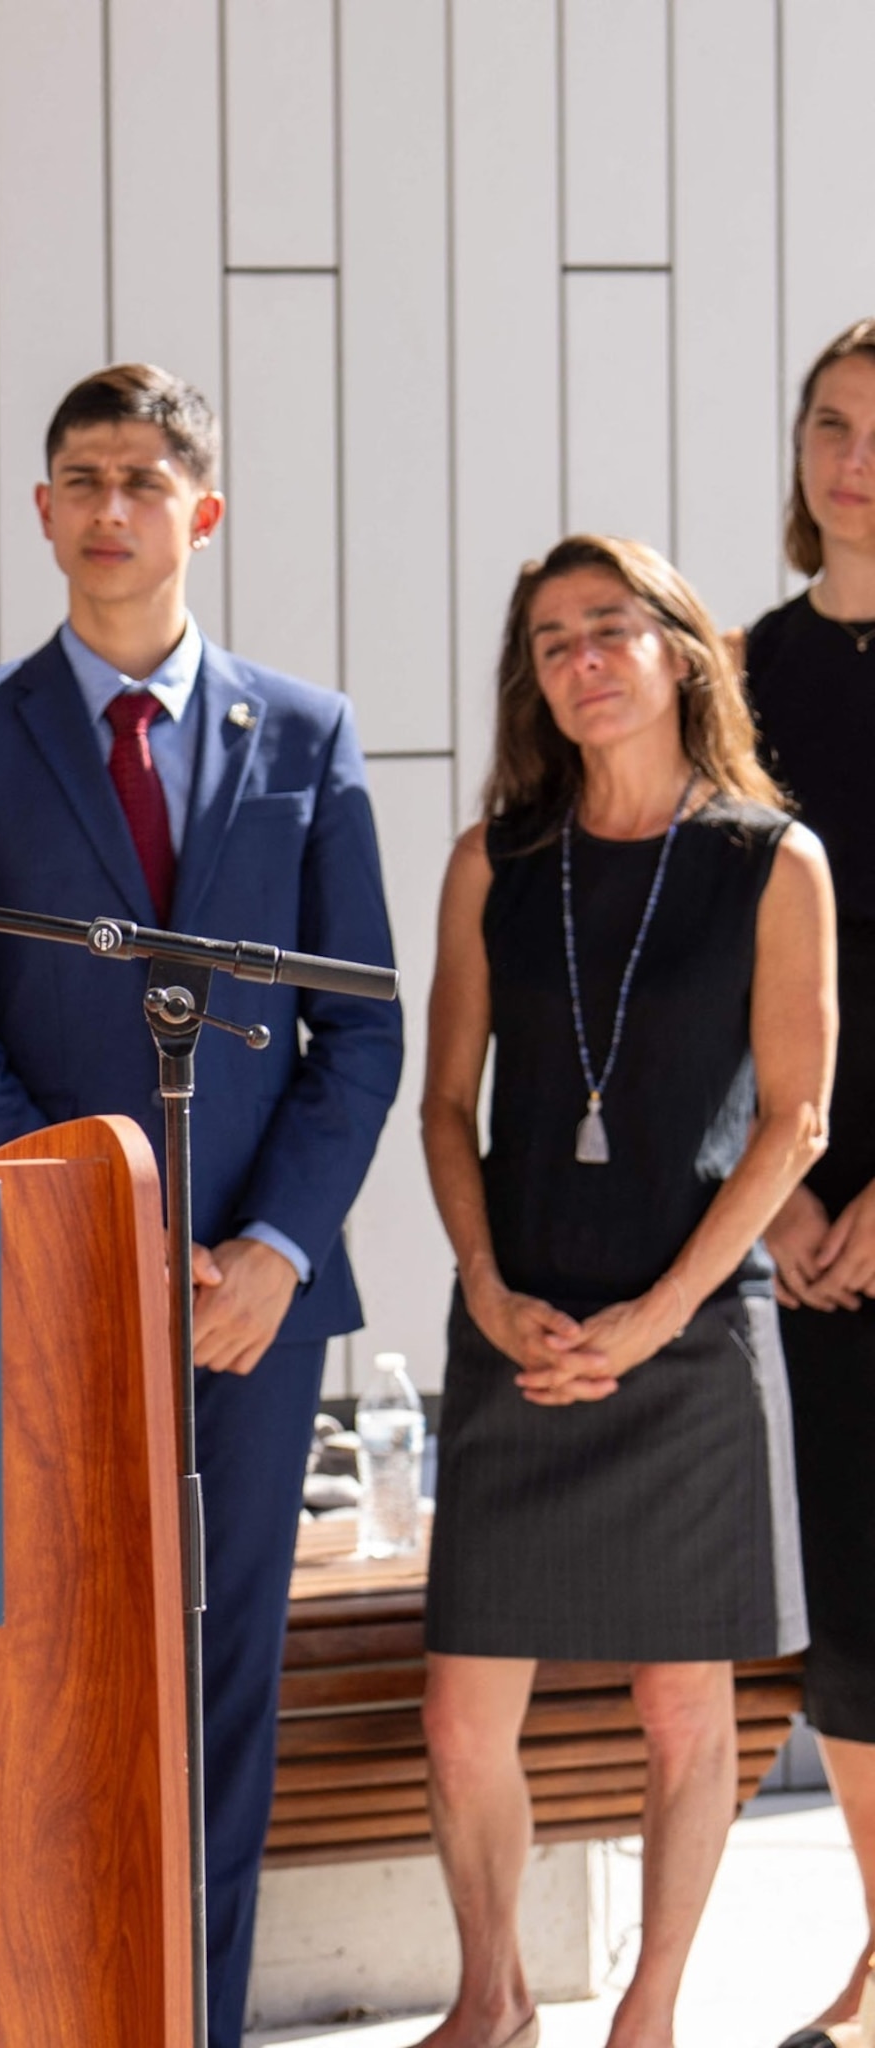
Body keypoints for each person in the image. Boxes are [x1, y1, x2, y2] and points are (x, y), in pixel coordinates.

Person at [0, 364, 402, 2047]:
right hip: (54, 1294)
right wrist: (84, 1222)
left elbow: (359, 1026)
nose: (110, 507)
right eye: (78, 478)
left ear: (202, 511)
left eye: (143, 476)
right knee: (53, 1678)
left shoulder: (305, 737)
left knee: (221, 1691)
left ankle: (206, 2022)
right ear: (41, 514)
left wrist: (273, 1245)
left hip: (252, 1315)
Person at [417, 535, 823, 2048]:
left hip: (693, 1333)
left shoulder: (772, 861)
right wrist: (481, 1283)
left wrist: (656, 1318)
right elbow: (447, 1105)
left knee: (682, 1709)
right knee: (461, 1715)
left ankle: (646, 2012)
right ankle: (493, 1996)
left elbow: (798, 1121)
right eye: (548, 642)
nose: (580, 660)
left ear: (680, 651)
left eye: (608, 629)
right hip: (516, 1330)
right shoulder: (494, 863)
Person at [738, 316, 875, 2048]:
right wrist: (776, 1200)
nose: (853, 456)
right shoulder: (740, 671)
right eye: (829, 423)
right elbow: (700, 952)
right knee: (850, 1605)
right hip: (799, 1209)